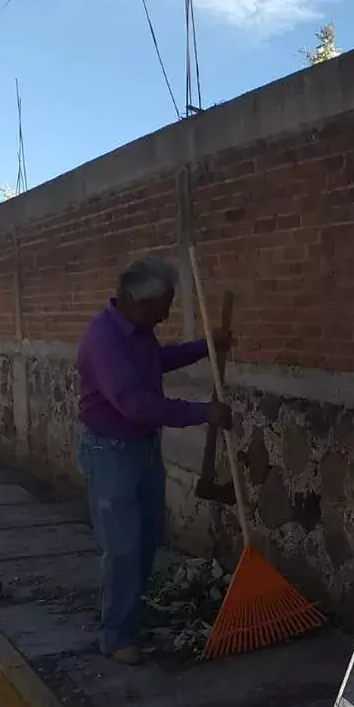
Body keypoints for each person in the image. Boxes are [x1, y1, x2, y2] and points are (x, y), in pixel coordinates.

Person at [75, 257, 231, 665]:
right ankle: (115, 635)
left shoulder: (140, 332)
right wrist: (203, 413)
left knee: (145, 542)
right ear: (130, 299)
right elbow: (135, 404)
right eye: (160, 306)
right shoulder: (103, 340)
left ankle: (124, 617)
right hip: (111, 453)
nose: (165, 314)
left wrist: (206, 347)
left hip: (142, 449)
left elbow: (157, 363)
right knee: (122, 547)